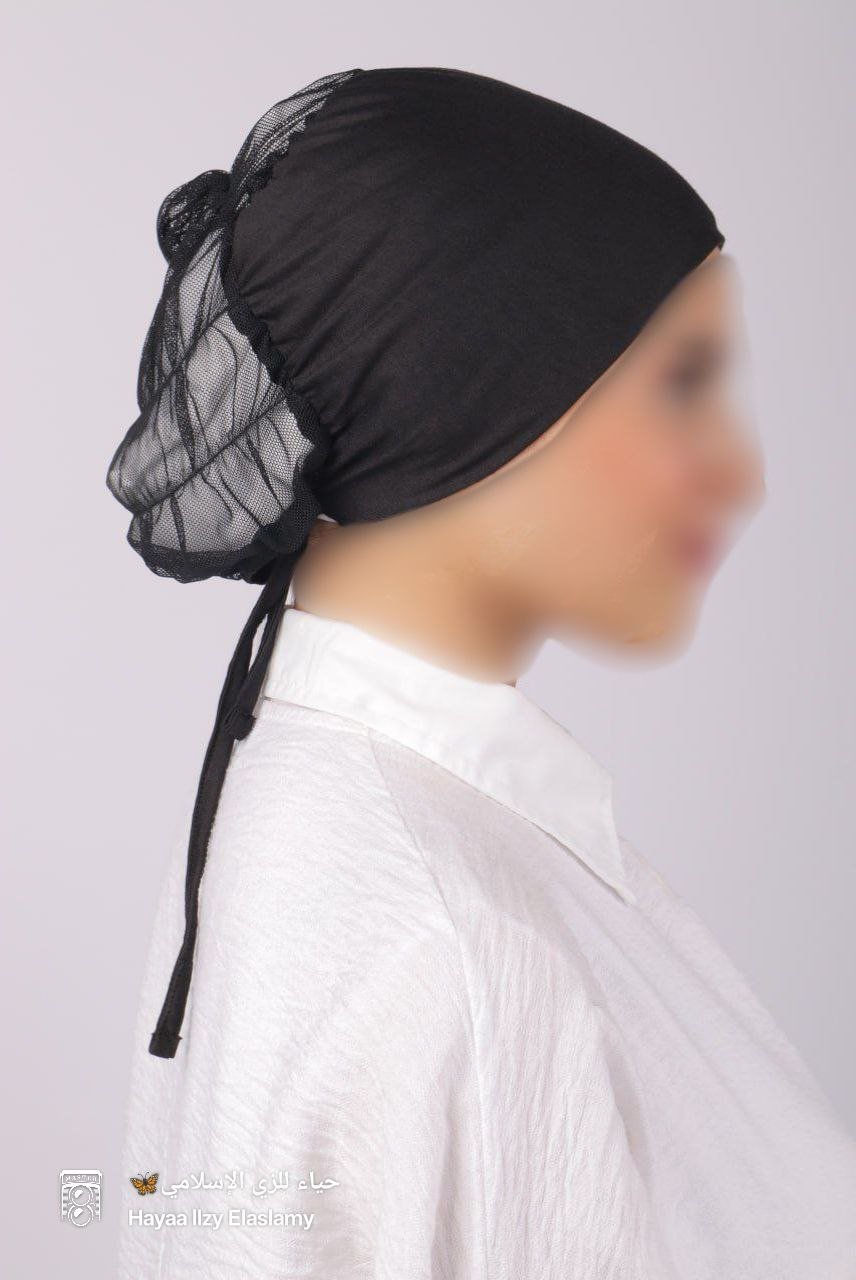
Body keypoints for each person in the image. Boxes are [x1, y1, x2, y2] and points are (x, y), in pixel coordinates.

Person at [108, 66, 856, 1278]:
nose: (743, 471)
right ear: (459, 393)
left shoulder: (354, 815)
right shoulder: (423, 932)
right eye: (682, 382)